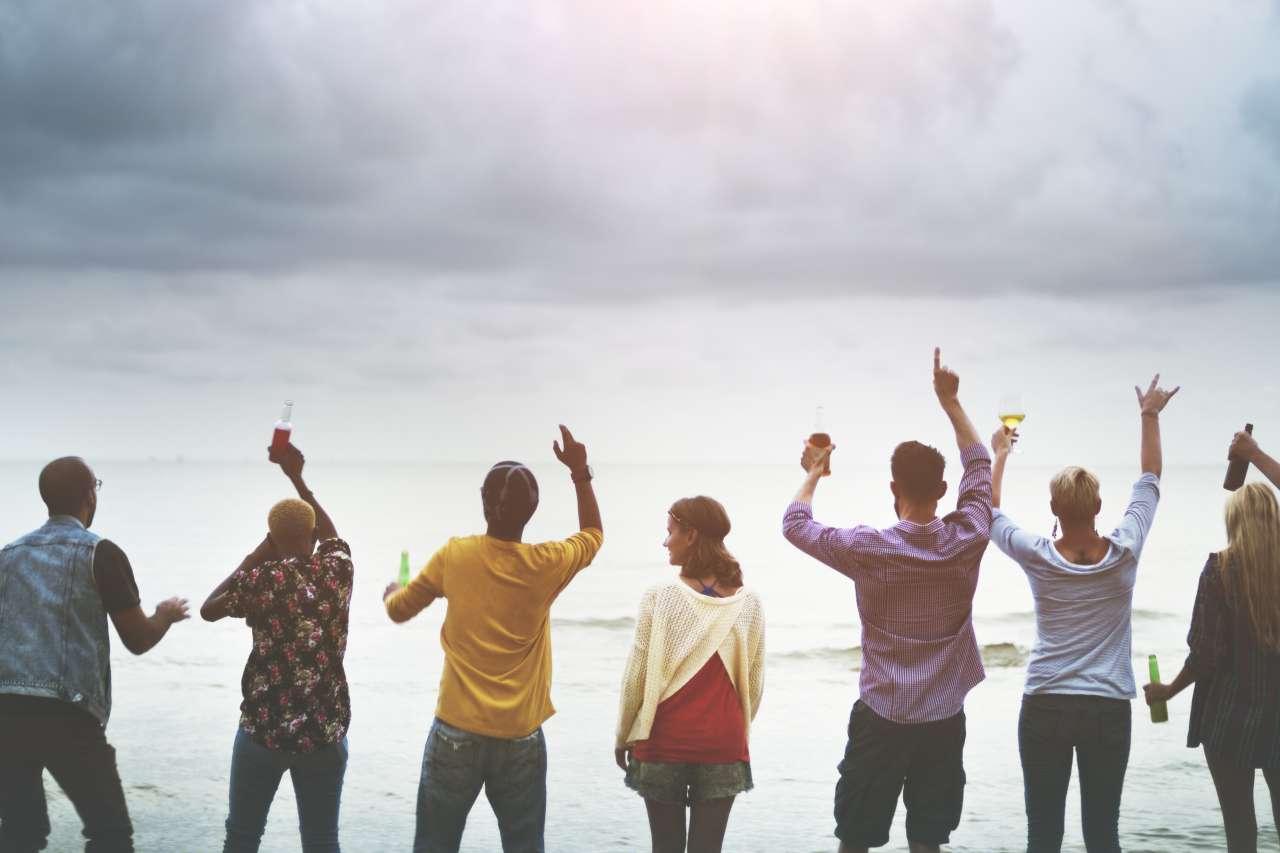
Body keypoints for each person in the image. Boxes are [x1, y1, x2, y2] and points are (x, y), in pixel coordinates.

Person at [782, 348, 992, 853]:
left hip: (880, 718)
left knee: (855, 839)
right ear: (944, 489)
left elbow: (795, 524)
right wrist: (951, 401)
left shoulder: (868, 549)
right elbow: (980, 465)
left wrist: (814, 471)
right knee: (928, 841)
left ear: (892, 487)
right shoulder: (970, 536)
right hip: (943, 720)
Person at [383, 425, 603, 853]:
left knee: (434, 845)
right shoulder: (547, 563)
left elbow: (399, 610)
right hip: (520, 735)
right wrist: (579, 472)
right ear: (533, 510)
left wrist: (392, 590)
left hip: (455, 732)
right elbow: (593, 534)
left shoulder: (455, 555)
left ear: (484, 503)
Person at [989, 375, 1179, 853]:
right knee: (1102, 835)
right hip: (1107, 709)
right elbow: (1150, 477)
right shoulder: (1126, 550)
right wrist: (1150, 415)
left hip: (1046, 703)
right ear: (1098, 506)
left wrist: (1001, 454)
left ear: (1053, 507)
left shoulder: (1035, 553)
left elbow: (987, 512)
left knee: (1043, 837)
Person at [0, 456, 190, 852]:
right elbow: (137, 639)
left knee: (22, 834)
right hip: (68, 714)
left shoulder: (9, 555)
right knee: (110, 834)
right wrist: (165, 615)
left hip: (7, 715)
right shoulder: (101, 553)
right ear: (90, 495)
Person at [201, 444, 352, 853]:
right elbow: (333, 533)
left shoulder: (262, 581)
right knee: (322, 840)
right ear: (314, 535)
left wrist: (259, 551)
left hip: (262, 731)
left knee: (243, 837)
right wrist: (298, 478)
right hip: (323, 732)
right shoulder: (338, 570)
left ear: (273, 538)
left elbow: (209, 609)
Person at [1144, 430, 1280, 853]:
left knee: (1240, 833)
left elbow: (1206, 654)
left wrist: (1169, 690)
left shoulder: (1219, 570)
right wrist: (1255, 456)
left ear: (1233, 521)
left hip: (1226, 721)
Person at [616, 496, 766, 853]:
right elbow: (755, 685)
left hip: (663, 740)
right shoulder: (750, 602)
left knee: (664, 848)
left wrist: (623, 734)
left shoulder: (660, 596)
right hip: (724, 745)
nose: (664, 541)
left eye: (670, 532)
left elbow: (635, 675)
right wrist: (732, 730)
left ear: (691, 535)